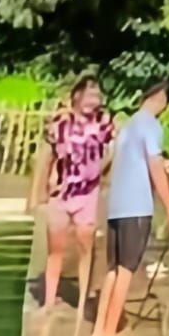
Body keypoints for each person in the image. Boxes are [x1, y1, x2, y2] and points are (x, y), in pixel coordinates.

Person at [92, 80, 169, 336]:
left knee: (112, 270)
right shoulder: (151, 126)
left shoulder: (129, 125)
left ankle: (99, 331)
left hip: (116, 206)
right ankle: (109, 335)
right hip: (136, 208)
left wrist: (163, 165)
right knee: (126, 271)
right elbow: (154, 168)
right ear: (159, 98)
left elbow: (136, 164)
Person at [27, 76, 115, 313]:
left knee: (86, 246)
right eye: (88, 95)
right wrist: (38, 193)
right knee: (56, 250)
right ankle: (48, 301)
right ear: (76, 96)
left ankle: (84, 298)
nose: (93, 101)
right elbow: (46, 158)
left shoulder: (104, 124)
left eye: (97, 96)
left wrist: (99, 172)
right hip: (62, 194)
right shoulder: (60, 124)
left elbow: (111, 151)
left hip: (88, 193)